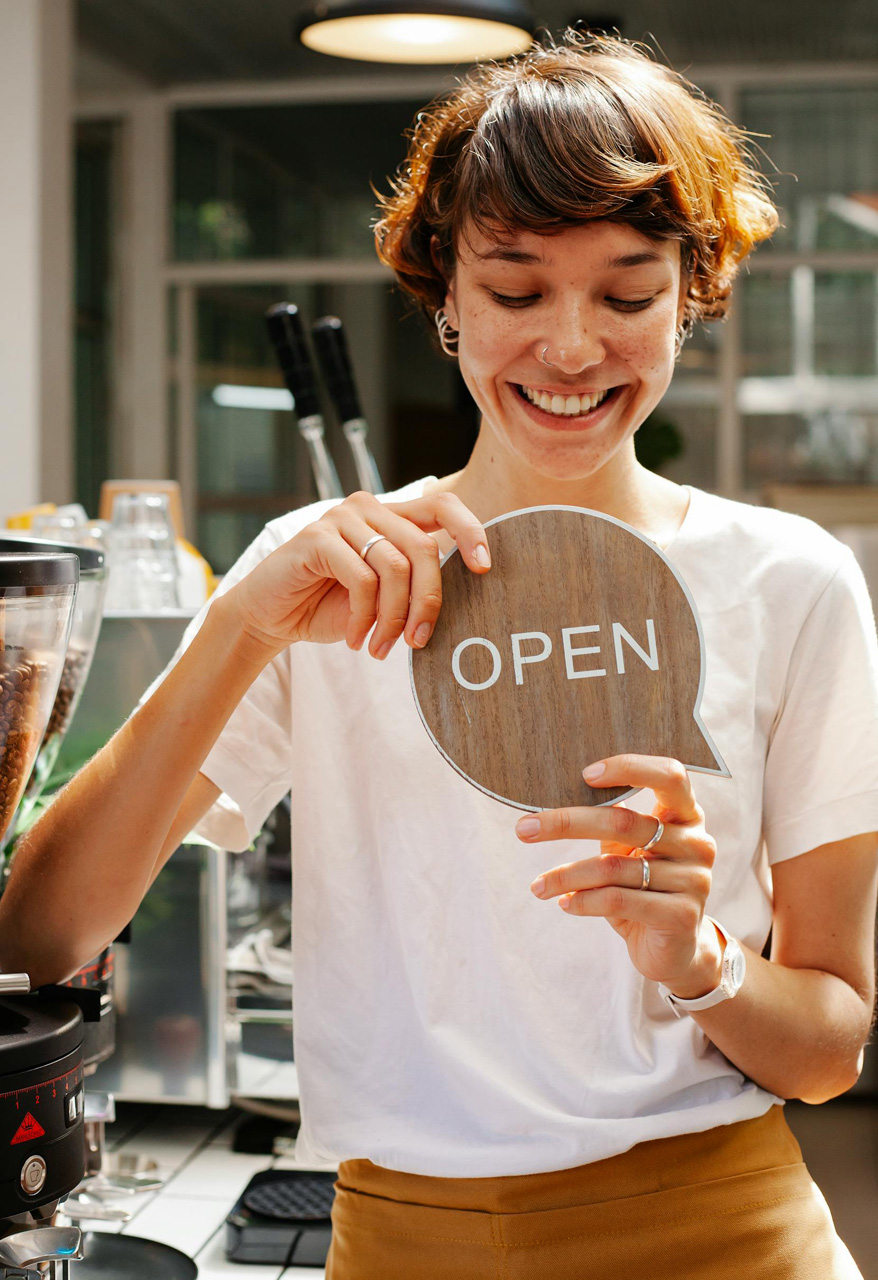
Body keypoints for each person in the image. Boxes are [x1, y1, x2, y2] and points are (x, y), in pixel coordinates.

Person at [2, 31, 877, 1280]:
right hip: (402, 1240)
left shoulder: (787, 581)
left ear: (690, 292)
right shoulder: (329, 574)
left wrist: (702, 962)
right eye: (515, 291)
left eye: (626, 293)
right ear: (443, 298)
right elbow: (44, 933)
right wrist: (248, 621)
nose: (570, 347)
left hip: (723, 1231)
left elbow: (830, 1044)